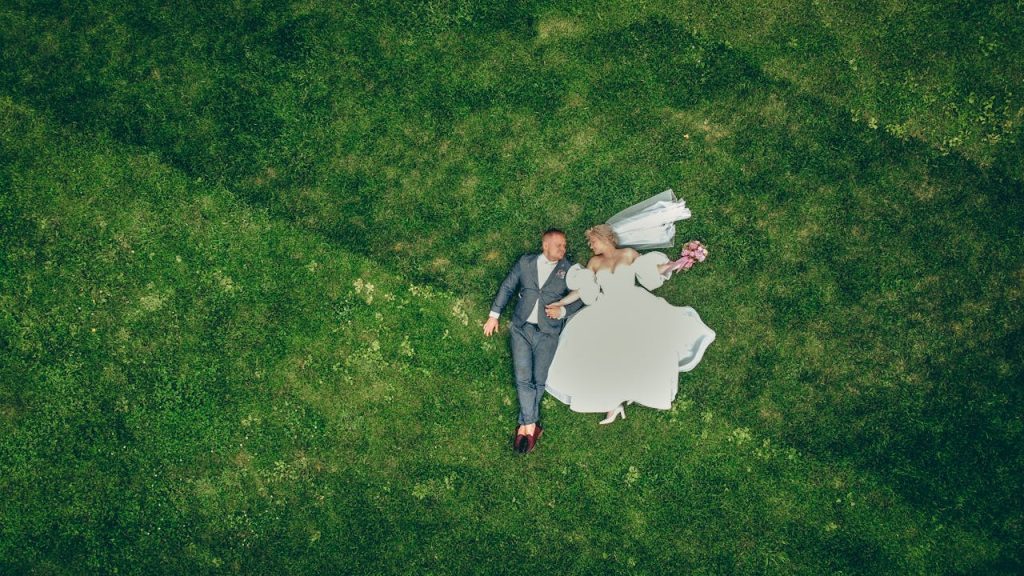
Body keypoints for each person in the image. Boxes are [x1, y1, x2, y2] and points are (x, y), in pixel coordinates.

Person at [543, 224, 715, 424]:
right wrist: (562, 303)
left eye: (593, 241)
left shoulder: (628, 254)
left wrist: (675, 264)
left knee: (639, 348)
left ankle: (631, 392)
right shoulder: (594, 262)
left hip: (633, 302)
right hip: (606, 307)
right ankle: (613, 403)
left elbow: (650, 271)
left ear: (605, 238)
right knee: (608, 354)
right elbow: (582, 289)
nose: (591, 246)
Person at [483, 229, 584, 453]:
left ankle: (525, 426)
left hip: (548, 333)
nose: (563, 249)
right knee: (523, 378)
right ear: (545, 245)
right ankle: (530, 426)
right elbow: (508, 286)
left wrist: (563, 311)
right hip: (521, 329)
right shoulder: (525, 263)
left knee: (539, 380)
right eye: (559, 245)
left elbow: (582, 296)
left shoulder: (569, 269)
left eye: (565, 245)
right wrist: (494, 315)